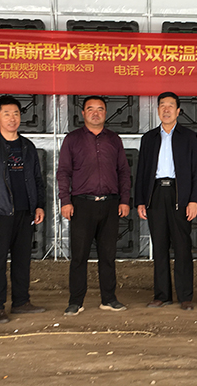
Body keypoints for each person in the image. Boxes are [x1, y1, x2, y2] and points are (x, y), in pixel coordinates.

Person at [0, 95, 46, 324]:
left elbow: (37, 179)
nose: (12, 118)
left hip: (25, 212)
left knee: (22, 260)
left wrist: (39, 205)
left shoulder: (27, 146)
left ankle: (21, 301)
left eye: (15, 113)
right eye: (6, 114)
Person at [57, 96, 131, 314]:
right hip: (82, 205)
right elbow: (63, 172)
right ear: (83, 113)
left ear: (106, 113)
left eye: (100, 109)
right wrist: (65, 201)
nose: (95, 113)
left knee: (108, 255)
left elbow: (123, 172)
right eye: (90, 109)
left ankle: (108, 298)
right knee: (79, 255)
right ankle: (76, 301)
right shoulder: (72, 139)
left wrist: (125, 200)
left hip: (110, 204)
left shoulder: (114, 139)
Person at [136, 92, 197, 311]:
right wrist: (141, 201)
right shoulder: (149, 138)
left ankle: (185, 296)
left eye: (170, 106)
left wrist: (194, 200)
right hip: (156, 194)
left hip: (179, 195)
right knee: (160, 246)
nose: (166, 109)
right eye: (162, 105)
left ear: (178, 111)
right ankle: (161, 295)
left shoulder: (188, 136)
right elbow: (141, 171)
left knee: (182, 246)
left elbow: (196, 170)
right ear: (157, 111)